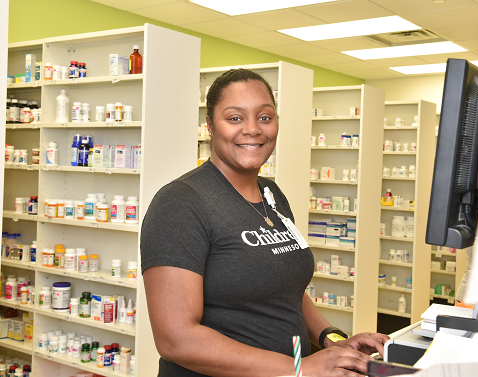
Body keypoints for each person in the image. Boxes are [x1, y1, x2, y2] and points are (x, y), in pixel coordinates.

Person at [141, 68, 390, 377]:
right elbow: (176, 340)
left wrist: (333, 340)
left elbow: (285, 287)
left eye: (264, 117)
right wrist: (298, 368)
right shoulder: (182, 202)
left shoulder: (272, 194)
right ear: (209, 127)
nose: (253, 130)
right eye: (234, 118)